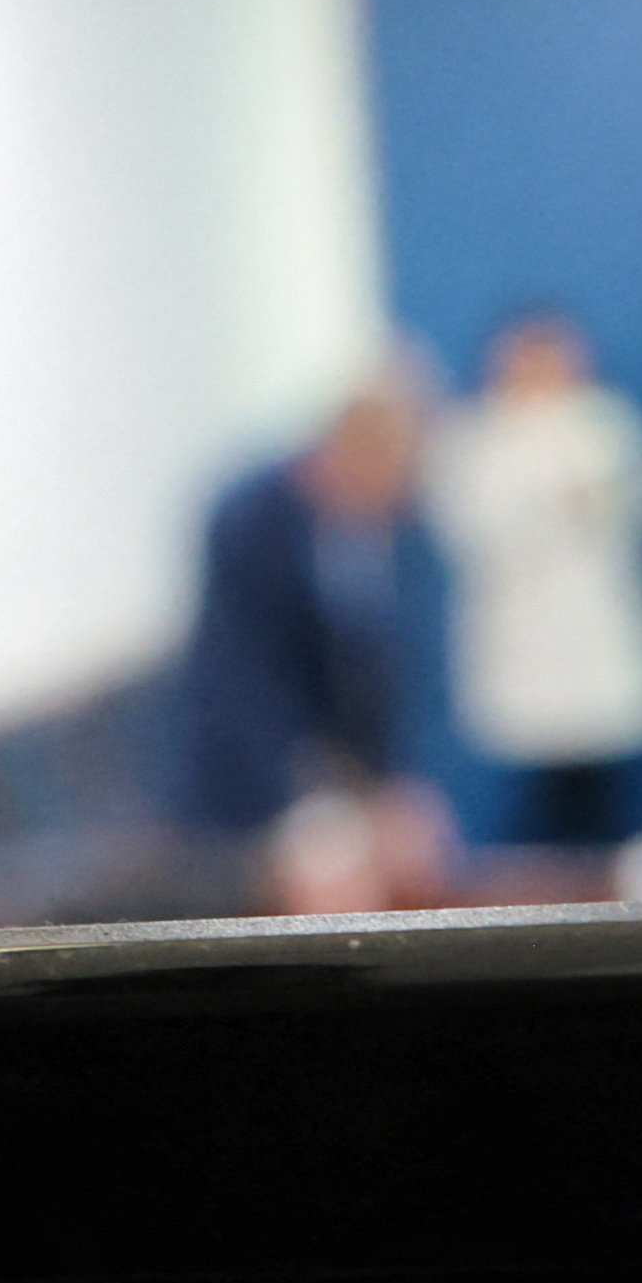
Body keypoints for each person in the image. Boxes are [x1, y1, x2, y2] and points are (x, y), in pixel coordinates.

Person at [167, 370, 449, 912]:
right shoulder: (248, 520)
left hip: (338, 778)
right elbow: (244, 688)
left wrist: (392, 787)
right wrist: (306, 816)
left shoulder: (382, 526)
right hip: (241, 796)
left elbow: (378, 670)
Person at [419, 309, 642, 854]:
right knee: (533, 800)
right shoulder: (478, 436)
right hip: (522, 637)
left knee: (606, 789)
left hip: (593, 630)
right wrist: (546, 500)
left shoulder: (605, 426)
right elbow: (467, 526)